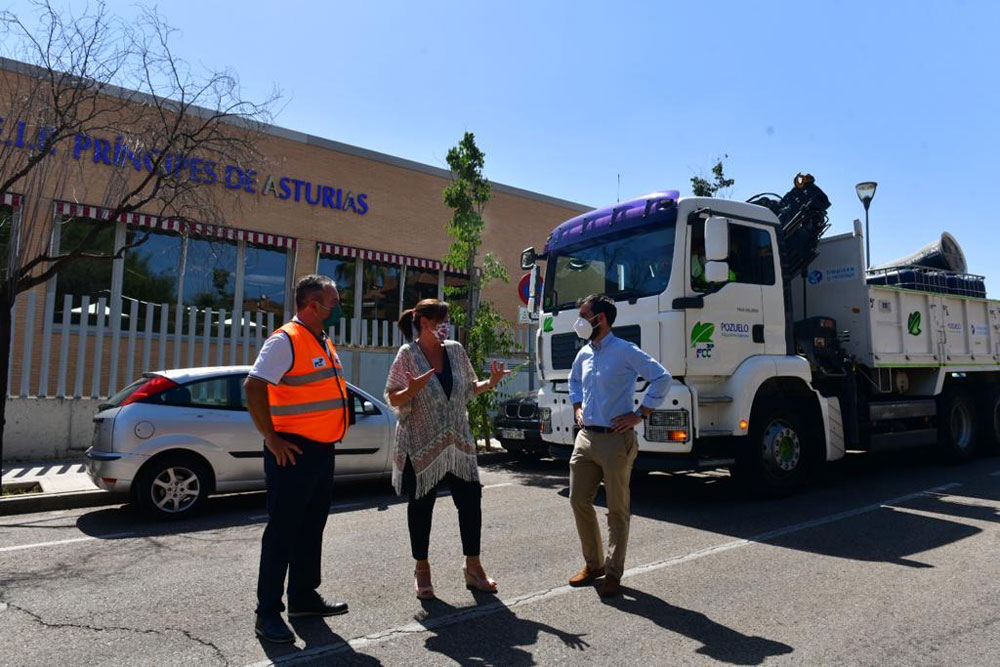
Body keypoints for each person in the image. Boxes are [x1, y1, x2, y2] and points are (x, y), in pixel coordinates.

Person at [244, 274, 351, 644]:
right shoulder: (285, 339)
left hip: (321, 451)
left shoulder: (321, 339)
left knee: (311, 527)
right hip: (292, 451)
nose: (338, 309)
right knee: (283, 530)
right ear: (312, 305)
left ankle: (303, 597)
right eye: (333, 303)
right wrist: (270, 437)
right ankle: (267, 612)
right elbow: (254, 385)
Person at [384, 298, 508, 600]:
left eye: (447, 321)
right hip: (420, 444)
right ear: (424, 323)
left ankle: (473, 567)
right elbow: (392, 396)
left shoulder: (455, 350)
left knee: (471, 503)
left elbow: (470, 388)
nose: (447, 327)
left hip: (458, 444)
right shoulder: (407, 354)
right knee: (421, 508)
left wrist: (490, 382)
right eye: (442, 322)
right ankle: (422, 568)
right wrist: (410, 390)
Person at [567, 293, 672, 598]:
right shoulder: (584, 353)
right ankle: (594, 564)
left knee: (617, 509)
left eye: (584, 315)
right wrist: (577, 406)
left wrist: (641, 414)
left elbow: (662, 378)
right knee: (578, 500)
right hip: (585, 438)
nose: (579, 321)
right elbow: (574, 382)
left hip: (616, 440)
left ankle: (613, 572)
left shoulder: (625, 351)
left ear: (600, 319)